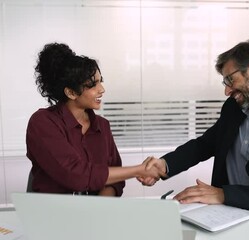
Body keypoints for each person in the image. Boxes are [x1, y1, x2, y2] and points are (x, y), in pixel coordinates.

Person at [140, 39, 249, 211]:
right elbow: (206, 144)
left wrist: (223, 194)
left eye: (230, 80)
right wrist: (165, 165)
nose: (227, 91)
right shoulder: (233, 107)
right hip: (223, 215)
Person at [26, 42, 163, 196]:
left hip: (96, 214)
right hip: (51, 214)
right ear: (71, 93)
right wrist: (140, 170)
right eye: (92, 85)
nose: (102, 89)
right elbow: (76, 175)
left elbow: (115, 178)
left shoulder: (102, 126)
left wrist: (99, 207)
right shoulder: (43, 123)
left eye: (100, 81)